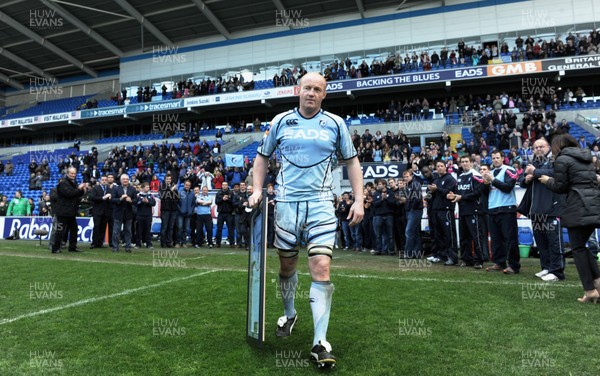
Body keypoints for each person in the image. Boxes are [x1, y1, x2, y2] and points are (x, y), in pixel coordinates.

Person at [248, 72, 364, 368]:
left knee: (321, 266)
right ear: (298, 90)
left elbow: (352, 162)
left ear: (324, 94)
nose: (312, 93)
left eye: (318, 89)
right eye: (307, 88)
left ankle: (320, 342)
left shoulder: (336, 123)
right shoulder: (280, 121)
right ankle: (289, 313)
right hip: (286, 204)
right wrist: (257, 190)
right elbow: (262, 158)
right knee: (287, 265)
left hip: (322, 204)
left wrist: (359, 199)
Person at [540, 134, 600, 303]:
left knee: (577, 249)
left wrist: (547, 180)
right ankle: (597, 283)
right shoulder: (586, 158)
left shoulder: (562, 160)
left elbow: (561, 187)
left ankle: (590, 290)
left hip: (577, 206)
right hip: (593, 206)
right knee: (581, 247)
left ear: (558, 146)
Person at [521, 139, 565, 281]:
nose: (538, 149)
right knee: (541, 242)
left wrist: (535, 172)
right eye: (535, 147)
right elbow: (522, 181)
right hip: (536, 209)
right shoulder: (535, 162)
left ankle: (557, 272)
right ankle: (546, 267)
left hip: (552, 208)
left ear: (548, 147)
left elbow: (558, 173)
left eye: (541, 146)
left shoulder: (555, 159)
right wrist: (527, 179)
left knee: (554, 241)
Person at [483, 151, 521, 274]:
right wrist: (485, 184)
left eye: (497, 158)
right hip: (493, 208)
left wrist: (492, 180)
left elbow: (508, 187)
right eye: (493, 158)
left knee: (510, 238)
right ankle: (499, 262)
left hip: (506, 208)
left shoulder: (509, 170)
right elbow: (486, 192)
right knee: (495, 239)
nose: (495, 160)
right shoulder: (491, 173)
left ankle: (514, 265)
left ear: (503, 158)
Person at [447, 156, 486, 269]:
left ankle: (479, 260)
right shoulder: (460, 177)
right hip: (462, 211)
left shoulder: (476, 175)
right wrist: (453, 196)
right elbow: (458, 193)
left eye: (466, 162)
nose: (464, 164)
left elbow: (477, 193)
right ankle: (466, 259)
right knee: (464, 237)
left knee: (476, 237)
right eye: (462, 162)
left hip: (474, 210)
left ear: (471, 163)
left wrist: (461, 197)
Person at [428, 161, 458, 265]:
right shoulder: (436, 179)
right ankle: (440, 255)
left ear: (445, 167)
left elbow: (450, 192)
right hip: (436, 209)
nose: (439, 168)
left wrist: (437, 189)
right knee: (438, 235)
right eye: (438, 166)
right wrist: (429, 194)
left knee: (448, 235)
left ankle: (452, 257)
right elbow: (433, 193)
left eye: (441, 166)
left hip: (446, 210)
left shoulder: (450, 179)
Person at [52, 167, 88, 253]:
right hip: (63, 212)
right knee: (60, 231)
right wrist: (79, 189)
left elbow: (76, 194)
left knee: (74, 230)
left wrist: (83, 190)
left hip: (71, 212)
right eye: (71, 173)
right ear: (67, 173)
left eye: (74, 173)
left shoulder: (73, 183)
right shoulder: (63, 183)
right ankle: (55, 248)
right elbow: (69, 194)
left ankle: (72, 247)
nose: (73, 175)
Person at [111, 174, 137, 252]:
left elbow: (136, 201)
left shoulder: (132, 189)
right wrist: (120, 199)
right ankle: (115, 247)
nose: (125, 180)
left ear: (128, 180)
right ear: (121, 180)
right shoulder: (116, 188)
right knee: (116, 231)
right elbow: (112, 200)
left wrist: (131, 200)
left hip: (128, 213)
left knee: (128, 231)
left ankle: (128, 247)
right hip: (118, 213)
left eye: (126, 179)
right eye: (124, 179)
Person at [402, 169, 423, 258]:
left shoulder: (415, 184)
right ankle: (416, 253)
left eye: (407, 176)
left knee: (409, 231)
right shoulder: (408, 185)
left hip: (415, 211)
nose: (405, 178)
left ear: (412, 176)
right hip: (411, 210)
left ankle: (408, 253)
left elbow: (417, 198)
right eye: (404, 177)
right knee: (415, 232)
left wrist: (410, 207)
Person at [90, 175, 112, 249]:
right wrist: (103, 198)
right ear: (100, 180)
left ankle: (100, 243)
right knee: (96, 227)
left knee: (103, 227)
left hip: (106, 211)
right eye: (103, 179)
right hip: (97, 211)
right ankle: (94, 243)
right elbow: (92, 198)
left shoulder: (109, 189)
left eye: (106, 180)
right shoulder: (95, 188)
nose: (104, 181)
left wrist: (110, 198)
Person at [159, 175, 179, 248]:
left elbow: (177, 197)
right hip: (165, 209)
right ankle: (163, 242)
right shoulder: (162, 186)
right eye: (167, 179)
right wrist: (171, 190)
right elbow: (162, 196)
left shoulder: (174, 187)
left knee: (171, 227)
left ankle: (169, 242)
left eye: (170, 179)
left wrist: (173, 191)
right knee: (164, 227)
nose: (169, 180)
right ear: (165, 180)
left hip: (173, 209)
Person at [136, 182, 156, 249]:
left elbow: (154, 203)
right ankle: (138, 244)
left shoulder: (150, 195)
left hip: (148, 215)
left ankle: (148, 244)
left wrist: (148, 202)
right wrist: (142, 201)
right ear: (143, 188)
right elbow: (136, 203)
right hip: (140, 215)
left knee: (148, 230)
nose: (148, 188)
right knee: (139, 230)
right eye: (147, 187)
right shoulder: (138, 195)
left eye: (148, 187)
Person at [215, 181, 235, 248]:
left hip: (229, 213)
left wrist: (228, 199)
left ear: (227, 186)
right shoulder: (218, 193)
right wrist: (222, 199)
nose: (224, 186)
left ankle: (232, 243)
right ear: (221, 186)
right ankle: (218, 243)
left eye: (225, 185)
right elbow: (216, 202)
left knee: (230, 229)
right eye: (223, 185)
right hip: (221, 213)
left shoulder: (231, 193)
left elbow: (233, 202)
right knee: (219, 229)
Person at [175, 180, 194, 248]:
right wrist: (180, 210)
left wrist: (191, 210)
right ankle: (177, 242)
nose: (187, 186)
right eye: (186, 185)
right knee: (179, 228)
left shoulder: (192, 193)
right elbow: (176, 202)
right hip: (180, 213)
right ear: (184, 185)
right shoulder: (180, 192)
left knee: (186, 229)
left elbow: (193, 203)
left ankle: (184, 242)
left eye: (189, 185)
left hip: (188, 214)